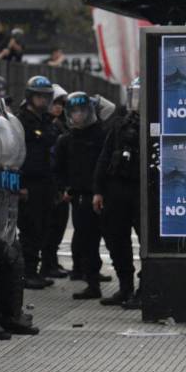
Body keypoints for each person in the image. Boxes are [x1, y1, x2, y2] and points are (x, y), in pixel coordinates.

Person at [55, 92, 111, 300]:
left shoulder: (102, 135)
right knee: (87, 241)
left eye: (82, 111)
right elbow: (58, 168)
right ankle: (92, 282)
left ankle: (126, 285)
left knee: (113, 239)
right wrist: (65, 188)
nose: (78, 115)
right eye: (74, 112)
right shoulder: (66, 140)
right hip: (80, 197)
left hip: (103, 195)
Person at [93, 78, 141, 307]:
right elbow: (104, 158)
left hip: (141, 192)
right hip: (117, 189)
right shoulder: (120, 124)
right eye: (134, 95)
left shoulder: (156, 123)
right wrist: (98, 190)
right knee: (116, 240)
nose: (136, 101)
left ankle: (145, 288)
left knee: (146, 243)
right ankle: (125, 287)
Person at [17, 76, 58, 289]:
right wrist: (20, 184)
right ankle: (28, 272)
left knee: (43, 228)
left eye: (46, 97)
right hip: (29, 183)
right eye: (39, 96)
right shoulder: (21, 121)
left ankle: (36, 270)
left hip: (45, 183)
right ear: (30, 97)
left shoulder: (46, 121)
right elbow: (16, 154)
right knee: (30, 230)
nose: (43, 100)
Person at [40, 84, 70, 279]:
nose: (58, 107)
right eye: (55, 103)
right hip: (49, 181)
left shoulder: (60, 124)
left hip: (59, 181)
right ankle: (47, 263)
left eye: (61, 104)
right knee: (50, 226)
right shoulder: (45, 125)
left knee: (59, 225)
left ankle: (51, 261)